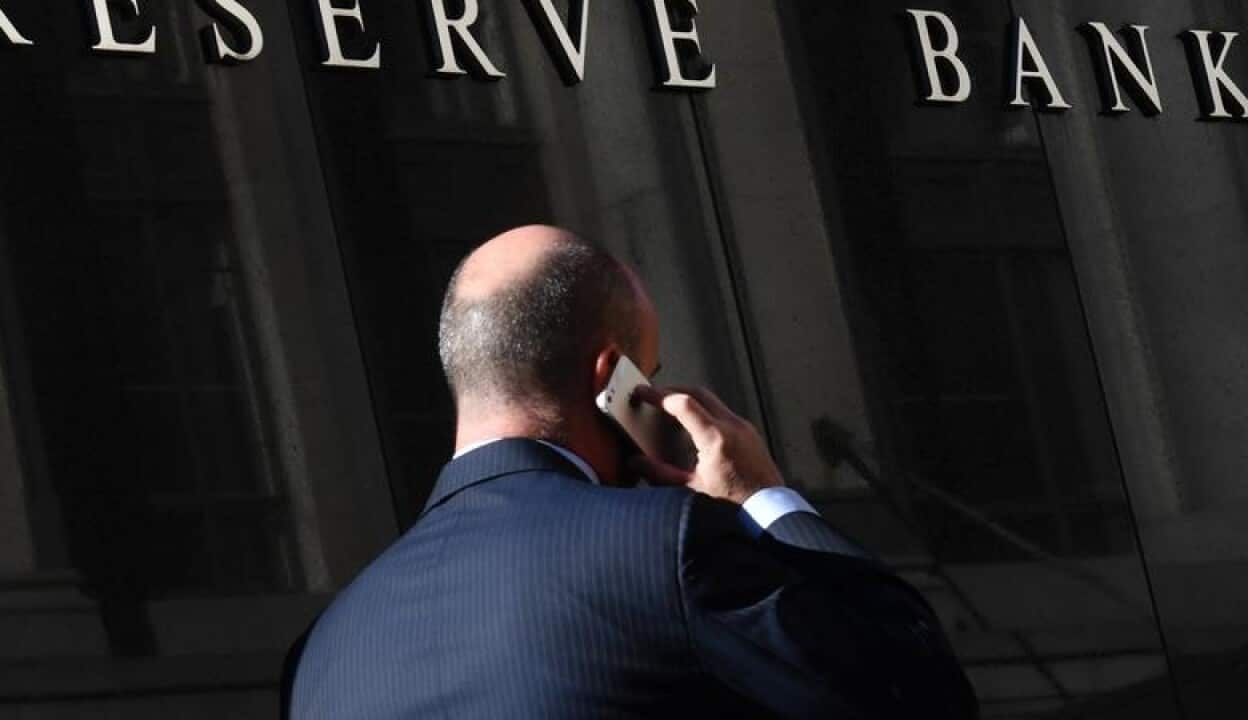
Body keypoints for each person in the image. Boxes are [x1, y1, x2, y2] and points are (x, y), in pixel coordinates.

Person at [286, 225, 977, 719]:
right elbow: (917, 694)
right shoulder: (669, 545)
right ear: (608, 379)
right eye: (648, 374)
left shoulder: (323, 649)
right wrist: (767, 499)